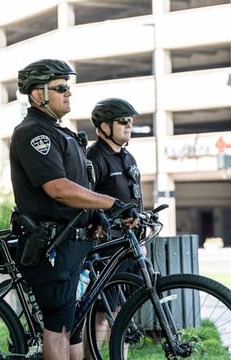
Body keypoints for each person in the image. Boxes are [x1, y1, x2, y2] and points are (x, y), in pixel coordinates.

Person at [9, 59, 138, 360]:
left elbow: (80, 186)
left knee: (73, 326)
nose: (69, 93)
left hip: (72, 243)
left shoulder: (62, 133)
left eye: (69, 87)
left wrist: (96, 214)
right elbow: (58, 189)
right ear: (38, 94)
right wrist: (112, 203)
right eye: (61, 87)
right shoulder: (33, 133)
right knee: (58, 326)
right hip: (50, 245)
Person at [82, 97, 144, 358]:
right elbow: (85, 198)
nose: (128, 126)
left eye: (130, 121)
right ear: (104, 127)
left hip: (129, 244)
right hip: (106, 245)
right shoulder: (94, 158)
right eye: (122, 122)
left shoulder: (127, 155)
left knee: (124, 310)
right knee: (102, 311)